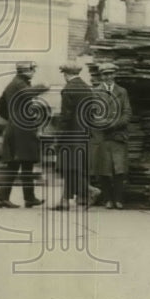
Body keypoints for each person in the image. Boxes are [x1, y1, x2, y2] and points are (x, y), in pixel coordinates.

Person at [0, 61, 47, 209]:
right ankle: (21, 198)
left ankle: (7, 198)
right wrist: (44, 86)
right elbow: (28, 93)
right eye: (32, 70)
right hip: (22, 131)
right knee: (23, 164)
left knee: (17, 164)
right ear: (25, 70)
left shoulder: (13, 84)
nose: (34, 72)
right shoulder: (20, 84)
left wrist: (12, 118)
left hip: (15, 129)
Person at [51, 62, 94, 210]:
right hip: (84, 134)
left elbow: (65, 117)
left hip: (70, 135)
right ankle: (64, 201)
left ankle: (90, 191)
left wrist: (58, 137)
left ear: (66, 74)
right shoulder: (87, 89)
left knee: (69, 167)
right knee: (74, 167)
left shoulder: (68, 89)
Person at [91, 63, 132, 210]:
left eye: (111, 74)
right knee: (104, 169)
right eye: (105, 74)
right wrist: (103, 124)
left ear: (115, 75)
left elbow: (127, 113)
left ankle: (118, 199)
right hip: (102, 136)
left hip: (118, 135)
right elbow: (93, 114)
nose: (108, 77)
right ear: (101, 76)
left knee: (119, 169)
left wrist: (114, 124)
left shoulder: (122, 92)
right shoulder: (95, 92)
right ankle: (107, 199)